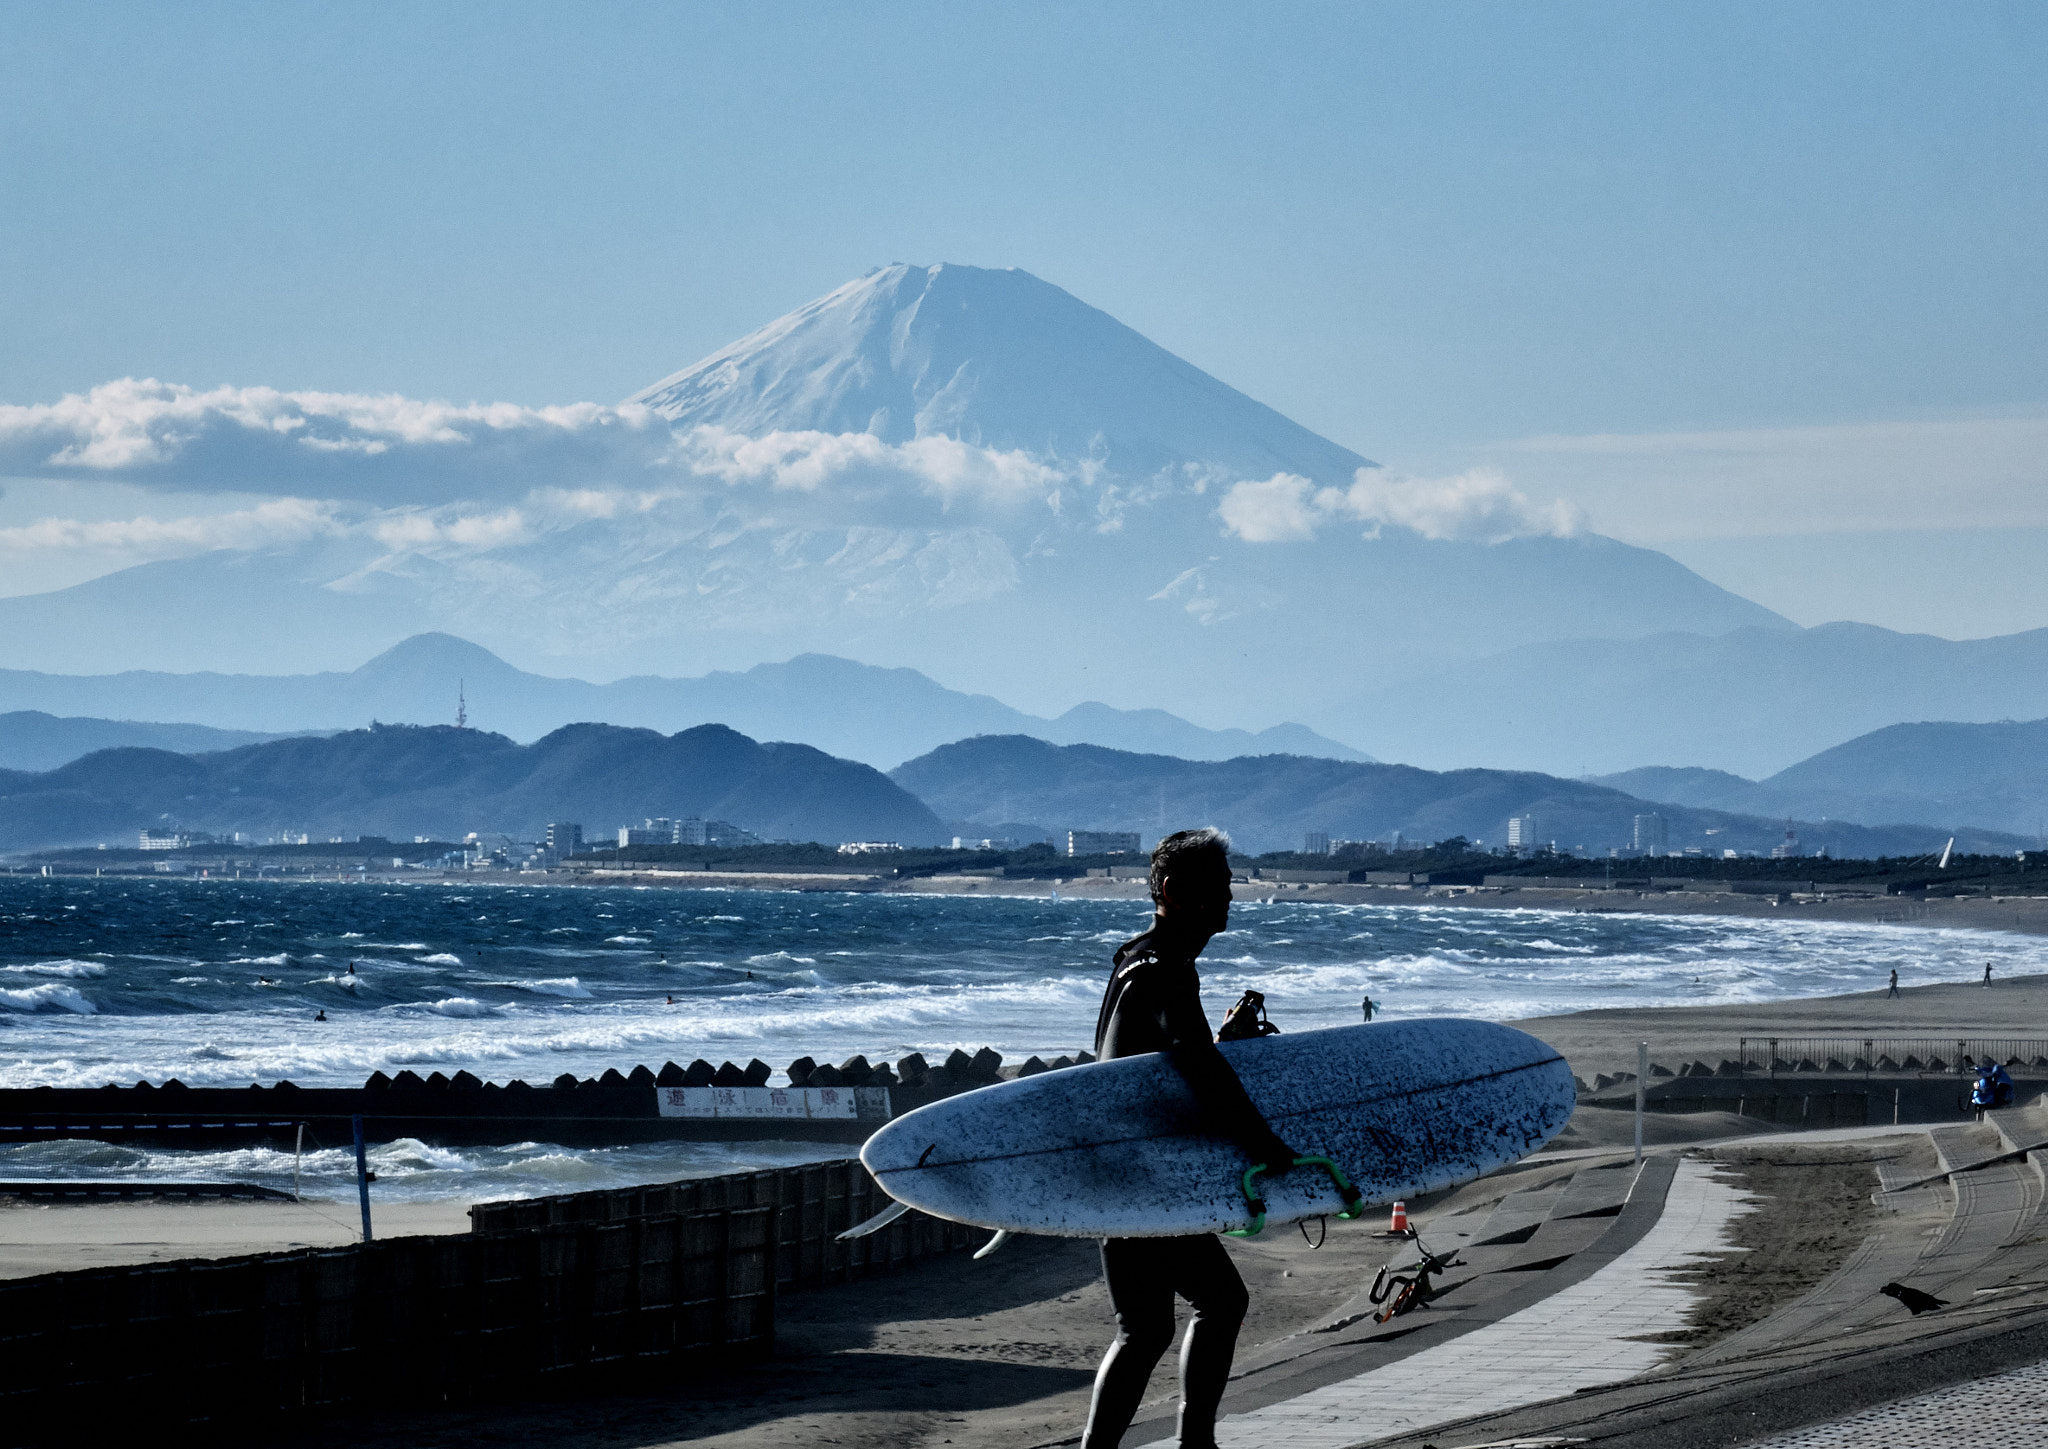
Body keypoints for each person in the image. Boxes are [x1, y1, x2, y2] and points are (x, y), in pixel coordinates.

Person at [1082, 827, 1297, 1449]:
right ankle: (1195, 1445)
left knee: (1145, 1329)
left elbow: (1169, 1063)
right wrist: (1266, 1147)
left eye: (1229, 886)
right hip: (1145, 1178)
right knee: (1219, 1302)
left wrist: (1227, 1046)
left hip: (1123, 1171)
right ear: (1174, 892)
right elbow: (1201, 1074)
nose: (1228, 898)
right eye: (1215, 887)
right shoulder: (1165, 968)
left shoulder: (1138, 958)